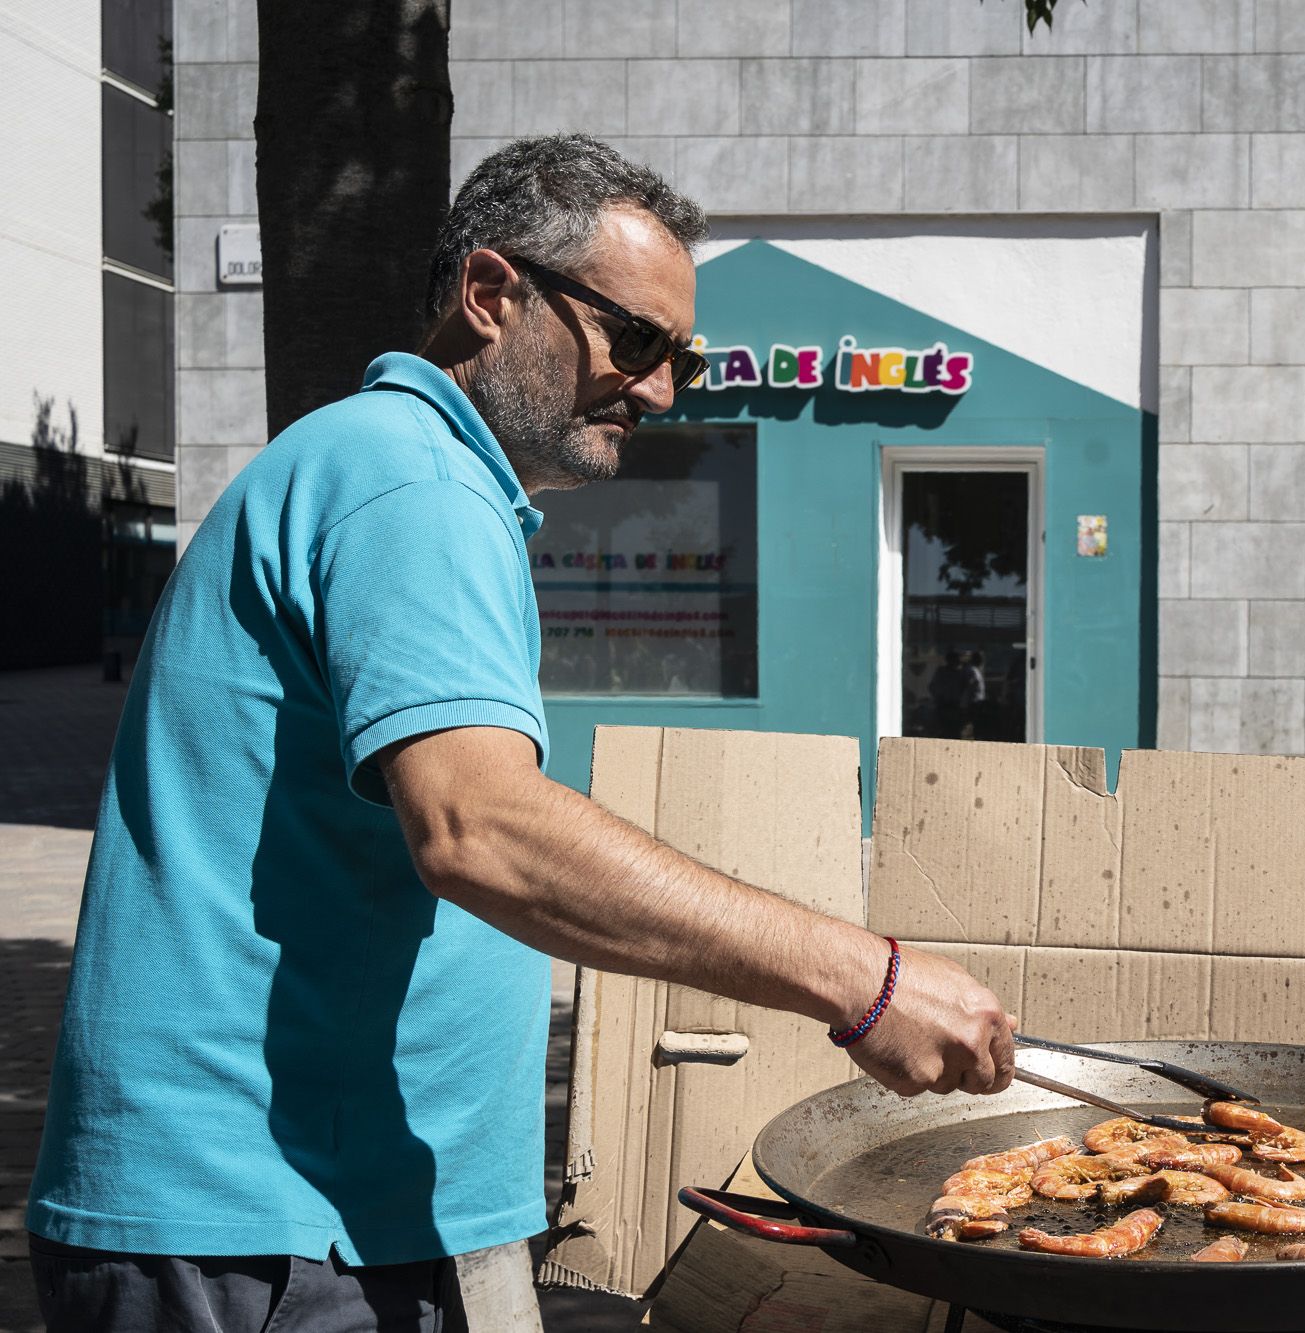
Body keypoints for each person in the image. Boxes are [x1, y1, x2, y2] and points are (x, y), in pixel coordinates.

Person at [26, 135, 1015, 1332]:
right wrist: (860, 977)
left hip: (309, 1218)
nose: (658, 389)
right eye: (635, 341)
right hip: (265, 1234)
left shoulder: (384, 469)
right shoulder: (414, 479)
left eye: (680, 358)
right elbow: (479, 826)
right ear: (491, 294)